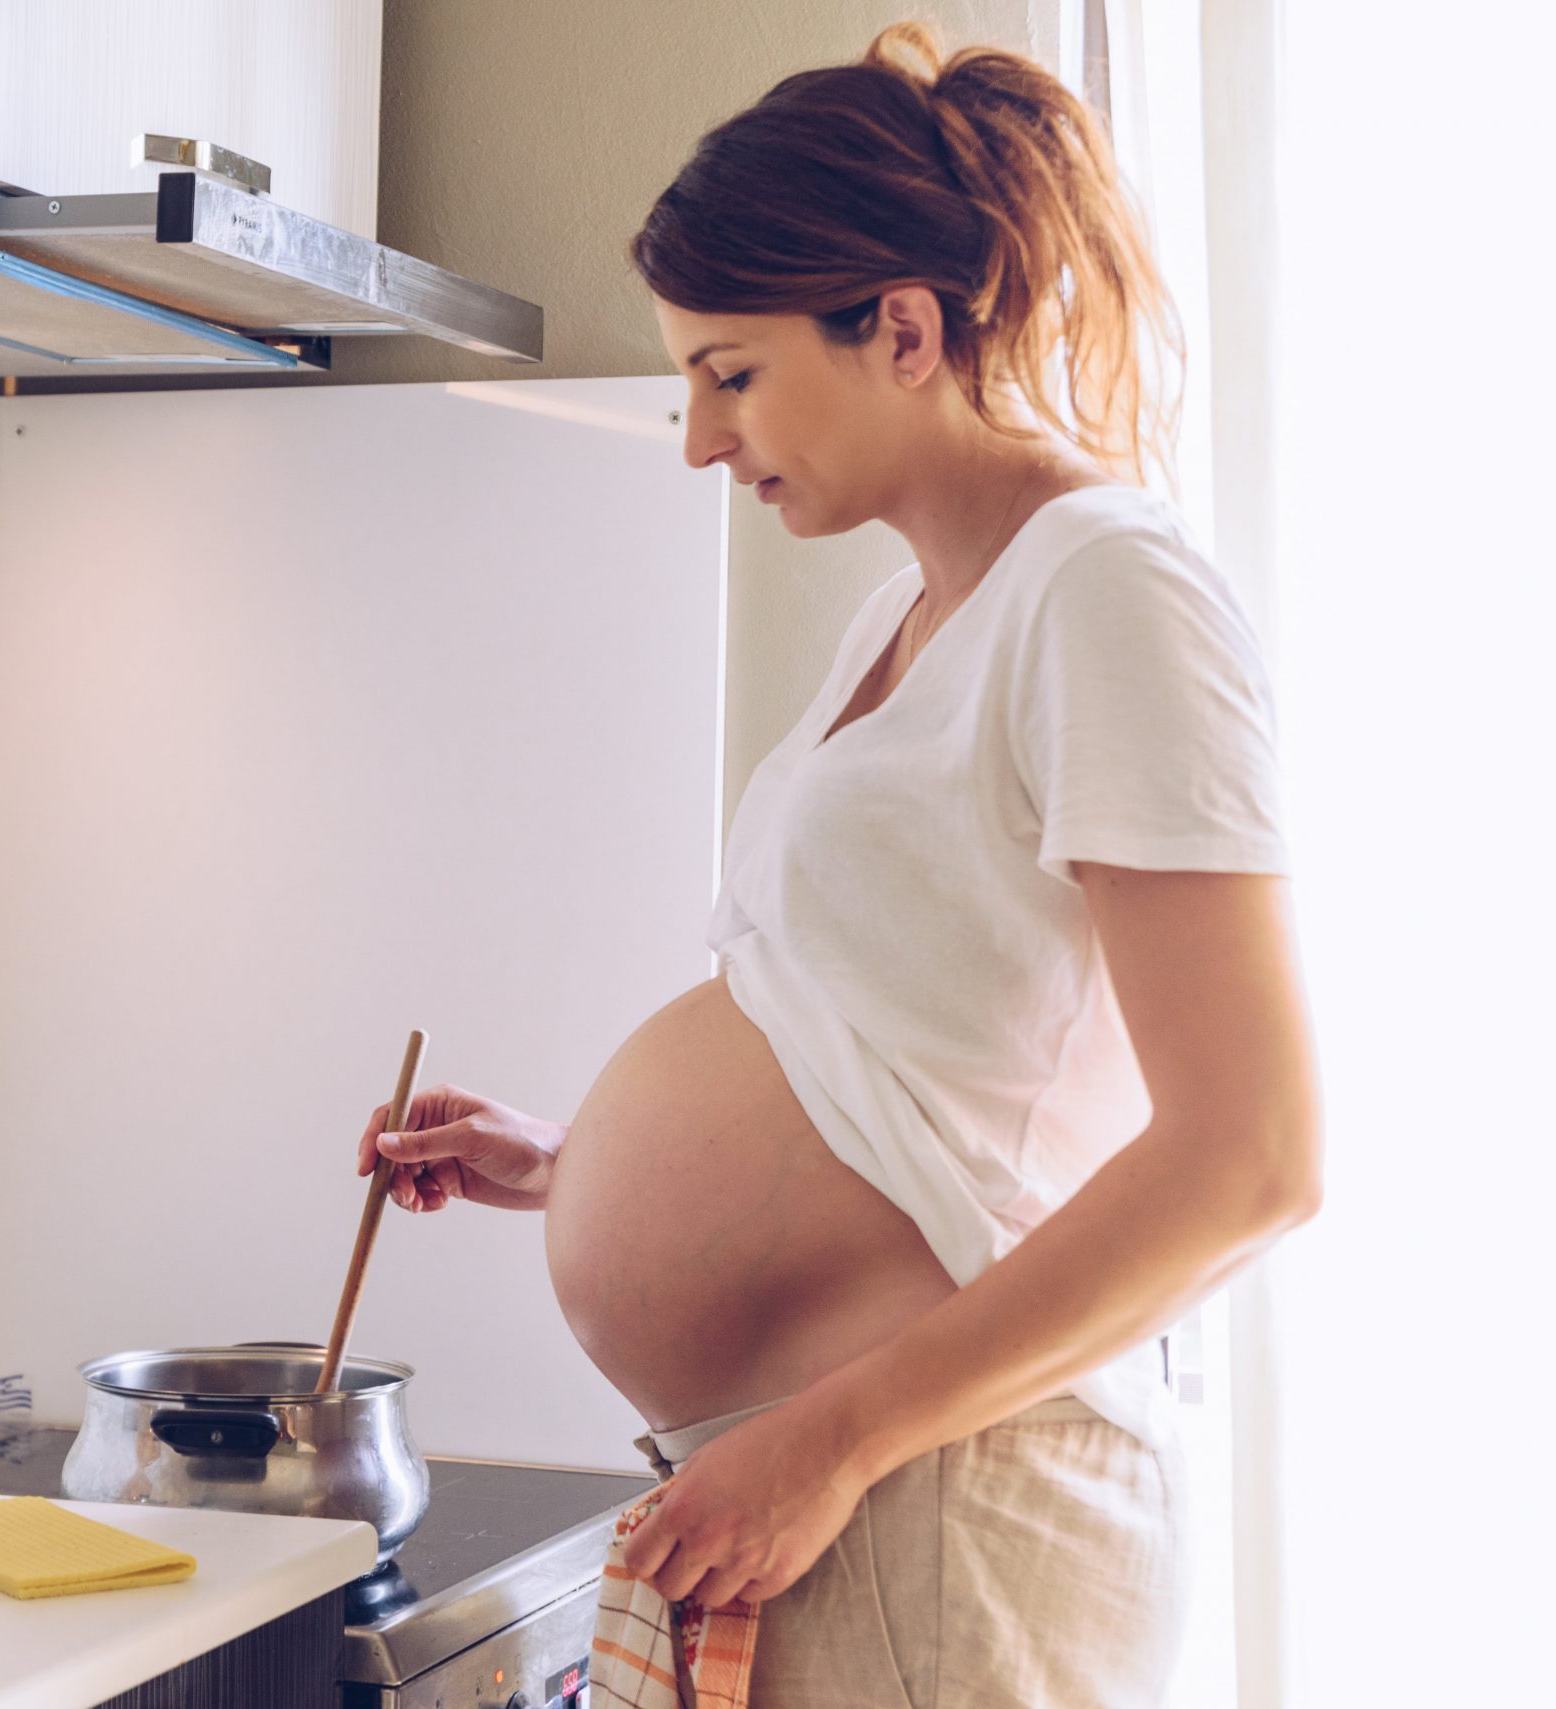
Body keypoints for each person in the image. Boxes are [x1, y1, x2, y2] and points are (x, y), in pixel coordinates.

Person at [353, 21, 1323, 1707]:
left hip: (945, 1496)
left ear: (902, 330)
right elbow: (913, 1073)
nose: (697, 441)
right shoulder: (915, 610)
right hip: (856, 1490)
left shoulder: (1107, 591)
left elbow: (1255, 1156)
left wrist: (829, 1440)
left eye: (730, 373)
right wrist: (579, 1166)